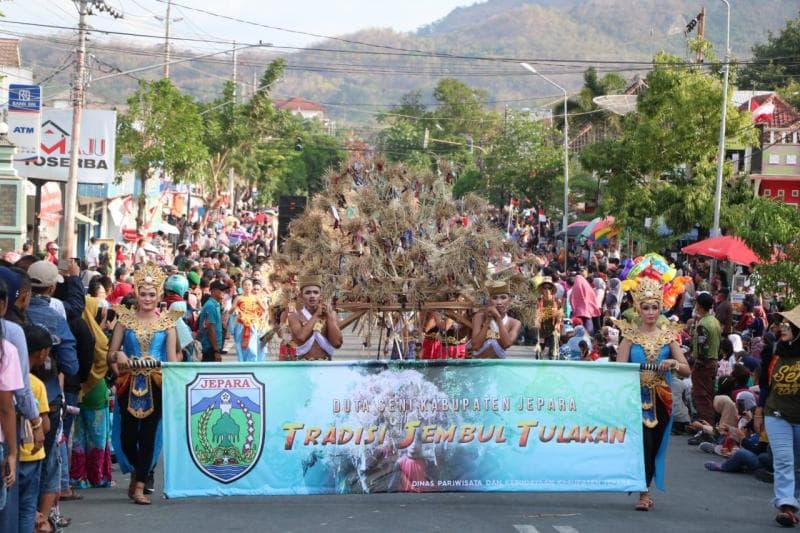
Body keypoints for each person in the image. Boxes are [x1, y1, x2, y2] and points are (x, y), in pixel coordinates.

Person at [615, 276, 690, 511]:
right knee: (644, 445)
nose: (650, 312)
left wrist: (673, 364)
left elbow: (686, 369)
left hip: (662, 398)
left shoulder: (668, 337)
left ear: (660, 309)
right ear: (638, 308)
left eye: (654, 307)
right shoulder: (629, 338)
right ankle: (644, 493)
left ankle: (645, 488)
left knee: (656, 445)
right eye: (646, 307)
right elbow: (617, 370)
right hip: (636, 398)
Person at [108, 262, 180, 505]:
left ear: (159, 295)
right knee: (127, 438)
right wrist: (119, 356)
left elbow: (172, 362)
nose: (147, 298)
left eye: (152, 294)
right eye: (143, 293)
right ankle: (137, 471)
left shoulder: (168, 324)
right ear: (136, 293)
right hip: (128, 384)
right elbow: (110, 355)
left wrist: (161, 370)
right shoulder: (124, 320)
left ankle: (140, 484)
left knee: (148, 435)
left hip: (156, 384)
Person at [757, 303, 800, 527]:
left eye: (787, 324)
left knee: (797, 464)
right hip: (776, 413)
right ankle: (786, 506)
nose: (782, 327)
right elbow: (765, 385)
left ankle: (794, 501)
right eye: (781, 324)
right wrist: (759, 410)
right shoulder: (774, 351)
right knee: (784, 460)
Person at [69, 294, 113, 489]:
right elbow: (104, 361)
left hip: (77, 389)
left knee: (78, 437)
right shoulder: (98, 336)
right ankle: (97, 476)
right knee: (98, 436)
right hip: (96, 389)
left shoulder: (73, 329)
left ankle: (78, 476)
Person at [19, 324, 52, 533]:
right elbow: (45, 425)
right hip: (32, 453)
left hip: (11, 450)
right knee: (27, 506)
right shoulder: (36, 384)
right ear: (42, 353)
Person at [288, 276, 343, 360]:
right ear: (301, 296)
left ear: (321, 296)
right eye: (308, 293)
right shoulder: (294, 316)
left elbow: (337, 343)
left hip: (325, 364)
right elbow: (301, 337)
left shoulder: (330, 314)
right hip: (302, 364)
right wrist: (317, 314)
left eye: (316, 292)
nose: (312, 296)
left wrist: (330, 317)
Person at [691, 292, 722, 431]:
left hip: (704, 365)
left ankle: (706, 429)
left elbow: (703, 348)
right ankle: (709, 427)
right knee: (709, 396)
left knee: (702, 397)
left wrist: (699, 363)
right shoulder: (715, 321)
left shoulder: (703, 324)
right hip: (713, 362)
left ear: (699, 305)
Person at [470, 281, 522, 359]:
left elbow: (507, 344)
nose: (499, 302)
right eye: (494, 298)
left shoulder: (514, 323)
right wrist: (488, 320)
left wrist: (498, 318)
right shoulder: (479, 317)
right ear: (489, 300)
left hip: (499, 364)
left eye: (503, 298)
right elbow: (476, 346)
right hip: (479, 364)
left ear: (509, 300)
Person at [229, 278, 268, 362]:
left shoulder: (256, 298)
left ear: (252, 287)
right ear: (242, 286)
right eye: (245, 285)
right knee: (240, 345)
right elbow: (231, 311)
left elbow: (265, 310)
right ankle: (242, 363)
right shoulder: (238, 298)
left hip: (252, 325)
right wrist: (234, 309)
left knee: (251, 346)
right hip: (241, 325)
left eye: (249, 285)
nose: (247, 286)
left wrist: (261, 317)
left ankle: (251, 363)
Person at [197, 280, 227, 362]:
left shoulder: (216, 304)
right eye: (221, 290)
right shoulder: (211, 306)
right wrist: (216, 351)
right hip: (210, 348)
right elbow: (210, 329)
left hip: (213, 347)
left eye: (224, 290)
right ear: (213, 291)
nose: (223, 292)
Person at [536, 277, 562, 360]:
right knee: (538, 354)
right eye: (545, 287)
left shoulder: (557, 301)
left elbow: (560, 314)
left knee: (553, 354)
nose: (547, 290)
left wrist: (558, 323)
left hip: (553, 329)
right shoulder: (538, 301)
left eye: (549, 287)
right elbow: (537, 314)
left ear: (552, 289)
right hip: (542, 330)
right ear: (542, 289)